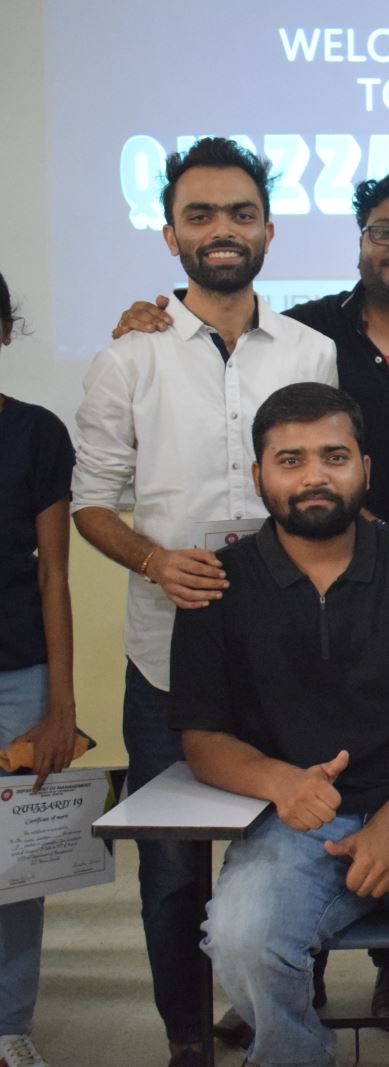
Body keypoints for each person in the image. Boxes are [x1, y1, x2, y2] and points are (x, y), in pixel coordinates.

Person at [70, 137, 338, 1067]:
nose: (222, 229)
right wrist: (151, 558)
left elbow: (327, 484)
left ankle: (279, 1017)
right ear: (170, 233)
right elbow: (91, 502)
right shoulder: (127, 358)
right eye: (201, 214)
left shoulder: (311, 350)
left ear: (268, 228)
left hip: (292, 649)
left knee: (297, 838)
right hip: (166, 654)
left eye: (240, 213)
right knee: (171, 864)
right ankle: (186, 1037)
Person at [169, 383, 389, 1066]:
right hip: (294, 820)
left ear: (366, 468)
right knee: (241, 934)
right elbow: (202, 737)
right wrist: (282, 783)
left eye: (334, 456)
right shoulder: (218, 585)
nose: (314, 476)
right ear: (258, 476)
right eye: (291, 460)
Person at [113, 172, 389, 529]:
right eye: (384, 232)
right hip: (333, 549)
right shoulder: (304, 333)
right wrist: (163, 318)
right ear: (361, 245)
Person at [0, 271, 76, 1067]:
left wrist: (62, 706)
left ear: (5, 332)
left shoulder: (37, 433)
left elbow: (55, 573)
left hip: (16, 672)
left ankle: (8, 1024)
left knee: (14, 862)